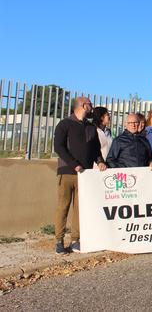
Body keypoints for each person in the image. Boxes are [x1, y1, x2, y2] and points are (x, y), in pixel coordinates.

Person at [53, 97, 106, 254]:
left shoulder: (90, 127)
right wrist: (73, 163)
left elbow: (96, 149)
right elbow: (59, 147)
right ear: (83, 106)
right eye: (89, 104)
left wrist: (100, 161)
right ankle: (59, 241)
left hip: (86, 175)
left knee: (80, 208)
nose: (92, 107)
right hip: (67, 172)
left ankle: (76, 240)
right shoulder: (65, 124)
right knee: (63, 206)